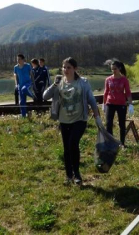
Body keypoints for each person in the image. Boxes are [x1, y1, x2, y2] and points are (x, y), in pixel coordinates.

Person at [43, 57, 100, 185]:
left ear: (75, 69)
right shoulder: (59, 83)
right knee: (66, 148)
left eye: (69, 67)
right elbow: (45, 96)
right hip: (64, 120)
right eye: (64, 67)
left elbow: (91, 100)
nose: (66, 70)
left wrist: (97, 118)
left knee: (73, 143)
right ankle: (69, 175)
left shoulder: (83, 83)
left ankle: (77, 174)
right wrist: (54, 84)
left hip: (79, 119)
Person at [103, 60, 133, 147]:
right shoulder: (108, 79)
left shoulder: (124, 79)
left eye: (115, 69)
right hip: (110, 103)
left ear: (119, 68)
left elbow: (128, 92)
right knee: (109, 123)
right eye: (112, 69)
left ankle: (122, 143)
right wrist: (104, 104)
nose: (113, 71)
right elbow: (105, 92)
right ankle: (110, 142)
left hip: (121, 104)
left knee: (122, 124)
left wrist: (130, 104)